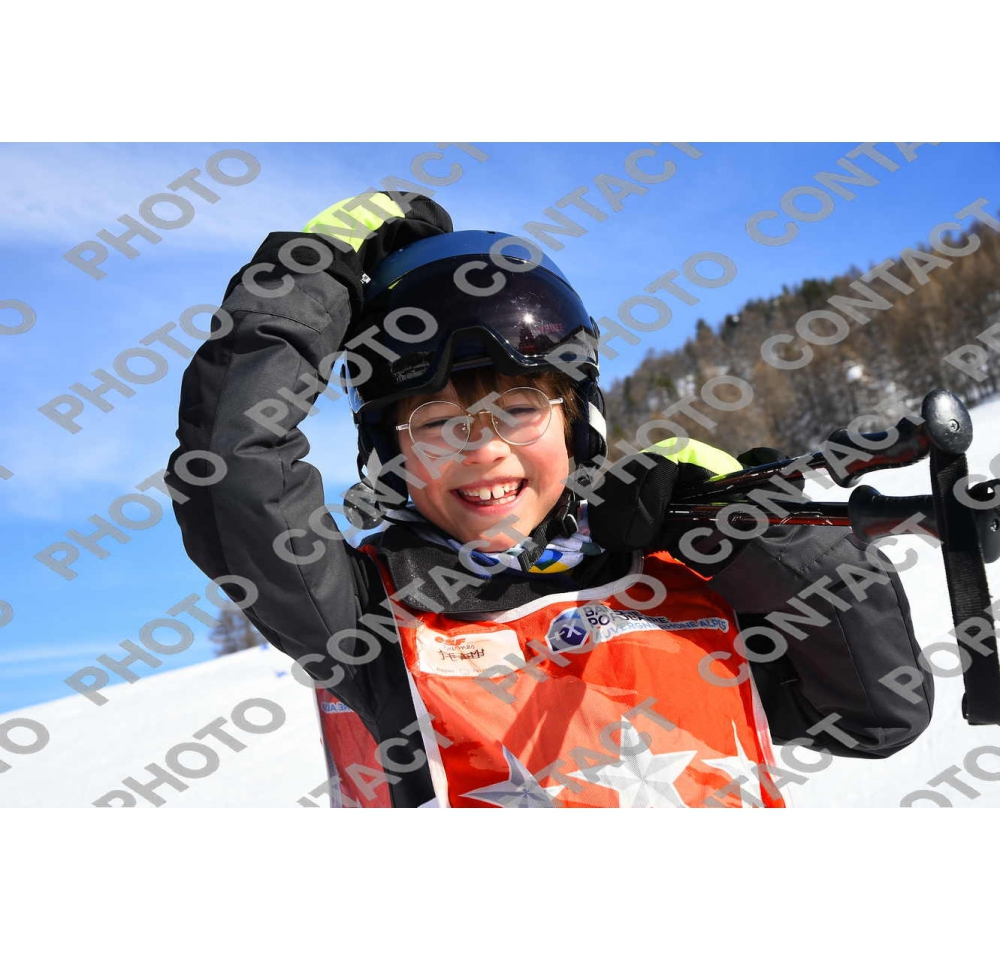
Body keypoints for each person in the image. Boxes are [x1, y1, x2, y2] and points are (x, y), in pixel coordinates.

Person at [166, 192, 933, 808]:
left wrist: (757, 535)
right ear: (390, 456)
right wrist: (315, 267)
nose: (482, 448)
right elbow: (230, 469)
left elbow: (878, 714)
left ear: (577, 426)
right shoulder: (365, 617)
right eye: (435, 422)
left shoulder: (682, 570)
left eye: (518, 409)